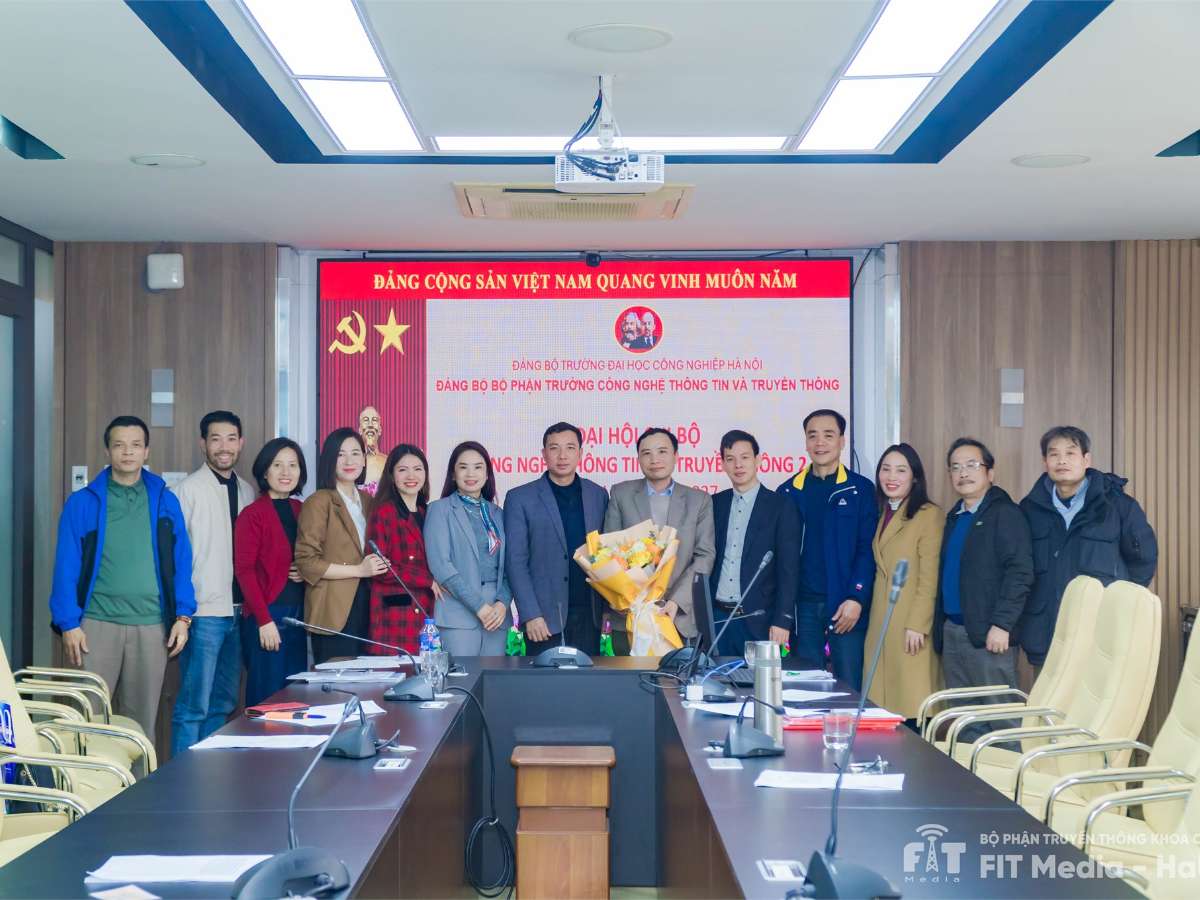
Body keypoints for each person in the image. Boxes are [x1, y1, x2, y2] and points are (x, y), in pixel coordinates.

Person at [48, 416, 194, 736]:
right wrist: (68, 623)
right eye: (119, 445)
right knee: (88, 721)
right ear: (108, 451)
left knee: (140, 727)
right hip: (95, 626)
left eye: (135, 445)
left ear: (146, 452)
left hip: (152, 626)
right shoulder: (83, 503)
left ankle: (137, 773)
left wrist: (183, 616)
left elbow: (182, 562)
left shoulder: (165, 501)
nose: (128, 452)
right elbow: (66, 566)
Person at [1019, 425, 1157, 670]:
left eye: (1070, 453)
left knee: (1098, 694)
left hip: (1100, 632)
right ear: (1045, 462)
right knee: (1049, 695)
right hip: (1047, 632)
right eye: (1054, 454)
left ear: (1086, 460)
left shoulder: (1117, 506)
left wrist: (1120, 603)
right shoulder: (1030, 509)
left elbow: (1143, 560)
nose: (1062, 460)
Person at [170, 411, 256, 753]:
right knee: (194, 706)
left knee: (223, 702)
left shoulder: (248, 490)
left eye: (231, 439)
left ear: (241, 443)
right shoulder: (185, 491)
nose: (224, 447)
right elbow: (175, 559)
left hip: (239, 611)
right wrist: (183, 612)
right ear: (202, 443)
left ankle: (208, 773)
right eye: (216, 439)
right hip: (204, 613)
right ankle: (181, 779)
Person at [934, 438, 1033, 730]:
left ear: (990, 473)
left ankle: (1006, 764)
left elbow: (1020, 572)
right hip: (953, 632)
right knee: (964, 722)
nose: (963, 473)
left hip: (990, 634)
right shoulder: (955, 516)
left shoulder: (1005, 514)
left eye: (971, 465)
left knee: (1001, 721)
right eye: (955, 467)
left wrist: (1002, 624)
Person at [777, 409, 876, 688]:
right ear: (806, 443)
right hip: (803, 608)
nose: (820, 442)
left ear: (842, 441)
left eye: (828, 435)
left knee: (849, 687)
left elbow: (867, 549)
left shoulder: (860, 490)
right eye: (813, 436)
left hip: (845, 606)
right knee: (805, 688)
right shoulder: (788, 492)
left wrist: (856, 597)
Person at [604, 428, 715, 654]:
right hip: (630, 615)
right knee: (629, 677)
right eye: (646, 453)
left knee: (679, 676)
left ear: (676, 456)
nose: (654, 459)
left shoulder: (698, 500)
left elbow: (704, 555)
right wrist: (629, 599)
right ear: (638, 458)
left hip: (679, 617)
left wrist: (676, 601)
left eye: (662, 451)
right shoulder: (621, 494)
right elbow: (608, 552)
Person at [504, 423, 609, 655]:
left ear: (581, 453)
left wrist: (608, 610)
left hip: (589, 615)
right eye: (554, 448)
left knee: (588, 678)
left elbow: (607, 553)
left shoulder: (598, 495)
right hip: (543, 619)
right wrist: (531, 614)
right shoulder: (520, 498)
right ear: (544, 454)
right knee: (544, 678)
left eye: (570, 448)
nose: (562, 456)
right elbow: (515, 562)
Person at [862, 443, 944, 723]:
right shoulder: (882, 512)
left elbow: (929, 576)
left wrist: (918, 624)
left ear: (915, 477)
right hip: (881, 620)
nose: (891, 477)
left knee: (911, 704)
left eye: (900, 470)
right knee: (881, 707)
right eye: (885, 469)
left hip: (909, 623)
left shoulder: (928, 515)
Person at [295, 428, 388, 664]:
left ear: (364, 460)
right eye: (340, 454)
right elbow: (307, 562)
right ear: (329, 459)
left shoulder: (369, 501)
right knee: (337, 681)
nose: (349, 461)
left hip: (369, 606)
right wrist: (359, 570)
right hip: (333, 610)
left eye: (355, 453)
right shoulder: (319, 501)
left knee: (369, 679)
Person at [709, 430, 799, 657]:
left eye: (745, 457)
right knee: (717, 678)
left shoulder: (780, 506)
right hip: (718, 619)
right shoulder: (715, 504)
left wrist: (783, 620)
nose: (738, 465)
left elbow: (789, 570)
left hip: (760, 620)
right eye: (730, 459)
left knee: (758, 680)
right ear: (723, 464)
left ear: (758, 460)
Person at [234, 438, 309, 707]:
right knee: (267, 699)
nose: (286, 472)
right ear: (265, 471)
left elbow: (311, 557)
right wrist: (264, 621)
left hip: (299, 617)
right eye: (277, 465)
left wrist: (305, 571)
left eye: (293, 465)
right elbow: (244, 571)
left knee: (296, 698)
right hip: (268, 615)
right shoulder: (252, 514)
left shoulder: (303, 510)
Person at [424, 441, 513, 656]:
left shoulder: (498, 514)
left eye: (478, 467)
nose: (471, 473)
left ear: (487, 474)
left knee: (494, 676)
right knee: (462, 676)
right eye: (463, 467)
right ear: (453, 474)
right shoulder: (439, 510)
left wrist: (502, 603)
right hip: (458, 613)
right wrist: (479, 607)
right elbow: (441, 566)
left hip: (497, 615)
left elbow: (512, 565)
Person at [366, 444, 439, 655]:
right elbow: (380, 566)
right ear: (391, 475)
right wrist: (426, 580)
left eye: (418, 469)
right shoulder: (384, 512)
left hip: (427, 611)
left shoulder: (429, 512)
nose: (411, 476)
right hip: (395, 617)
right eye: (402, 469)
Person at [358, 405, 387, 493]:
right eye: (366, 420)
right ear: (360, 430)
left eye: (374, 420)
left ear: (380, 430)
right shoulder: (352, 462)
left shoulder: (388, 461)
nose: (370, 425)